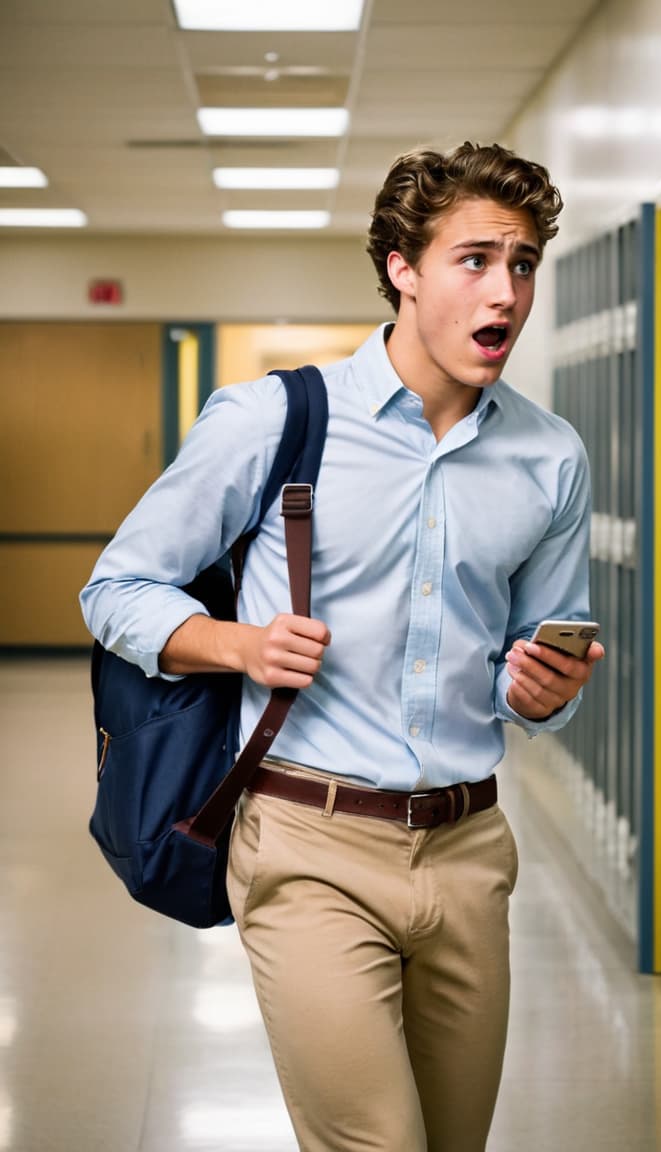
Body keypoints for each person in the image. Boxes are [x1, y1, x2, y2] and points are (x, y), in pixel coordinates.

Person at [81, 140, 603, 1152]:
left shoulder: (549, 457)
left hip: (467, 852)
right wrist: (237, 644)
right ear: (402, 270)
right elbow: (117, 590)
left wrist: (539, 690)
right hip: (305, 840)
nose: (506, 289)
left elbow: (533, 658)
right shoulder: (274, 421)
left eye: (524, 263)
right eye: (474, 259)